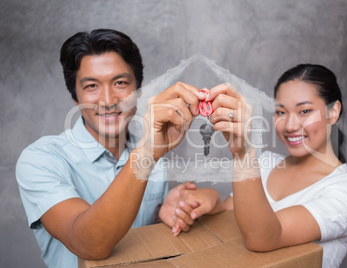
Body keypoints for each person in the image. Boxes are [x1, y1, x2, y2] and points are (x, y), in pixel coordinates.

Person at [15, 29, 225, 268]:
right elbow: (89, 244)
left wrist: (164, 211)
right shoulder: (40, 160)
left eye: (120, 83)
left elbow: (142, 228)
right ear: (76, 97)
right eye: (92, 86)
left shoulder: (148, 145)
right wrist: (148, 152)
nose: (108, 100)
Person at [177, 64, 347, 268]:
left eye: (305, 111)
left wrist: (243, 152)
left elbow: (262, 237)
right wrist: (209, 201)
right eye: (281, 112)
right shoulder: (266, 162)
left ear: (333, 112)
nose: (290, 126)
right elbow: (232, 216)